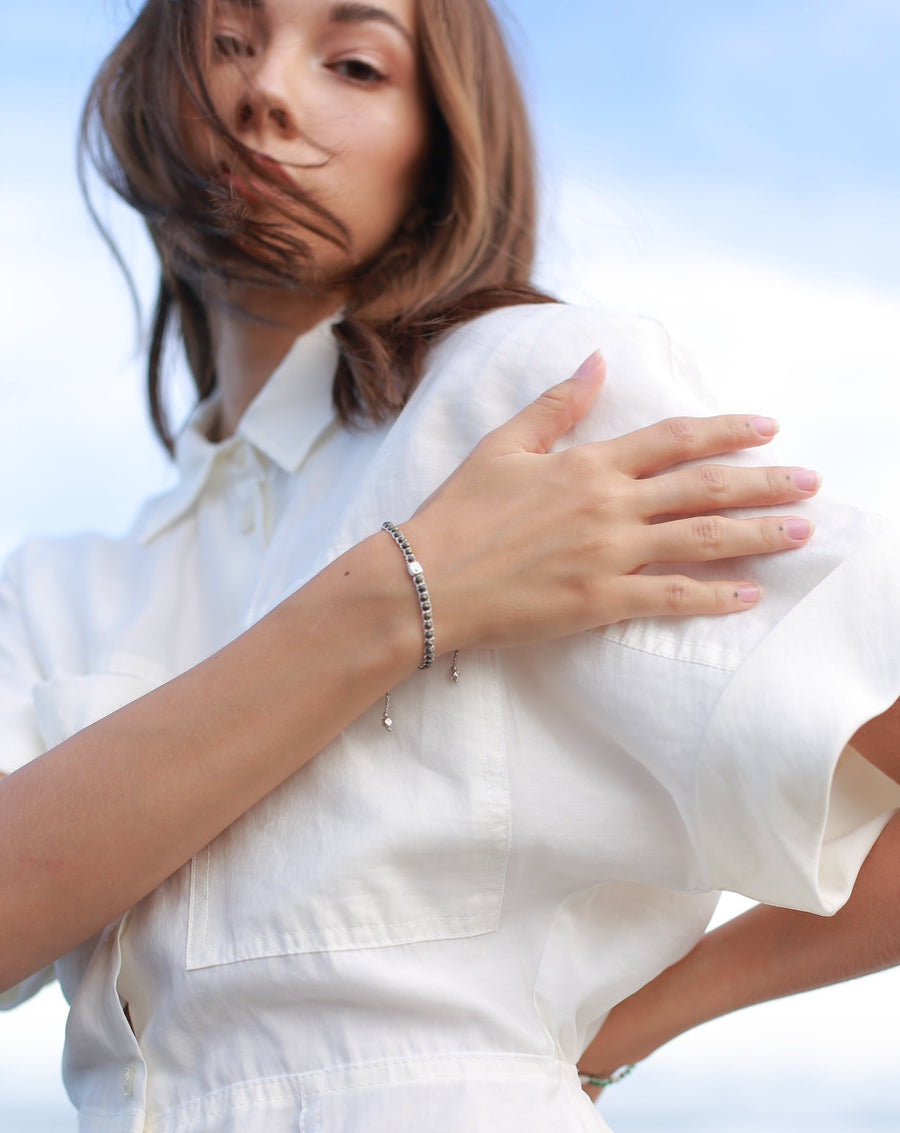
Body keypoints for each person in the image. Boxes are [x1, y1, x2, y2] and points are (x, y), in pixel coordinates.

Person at [1, 1, 898, 1130]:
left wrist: (632, 1018)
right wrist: (406, 590)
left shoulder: (524, 406)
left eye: (355, 63)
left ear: (443, 142)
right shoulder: (61, 587)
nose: (267, 91)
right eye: (227, 40)